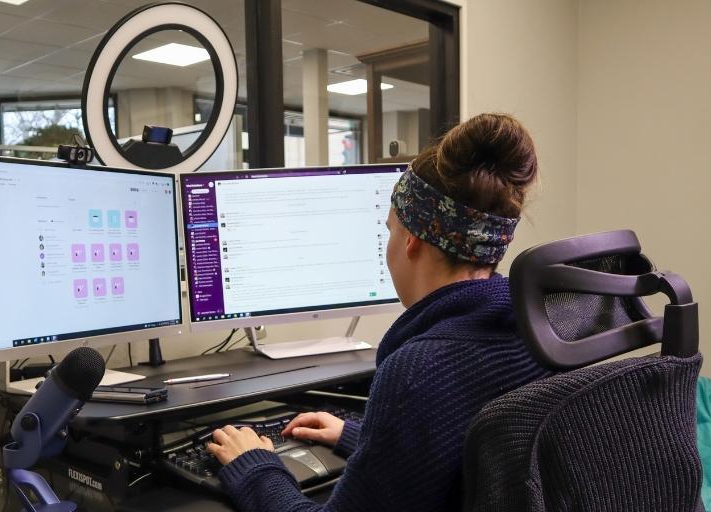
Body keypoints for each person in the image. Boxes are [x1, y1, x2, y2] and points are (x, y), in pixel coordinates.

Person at [206, 113, 553, 511]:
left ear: (411, 240)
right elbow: (477, 458)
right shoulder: (536, 327)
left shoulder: (419, 371)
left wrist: (254, 465)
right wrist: (362, 436)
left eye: (389, 229)